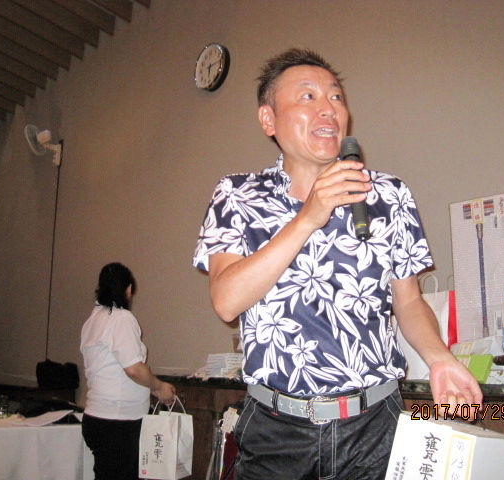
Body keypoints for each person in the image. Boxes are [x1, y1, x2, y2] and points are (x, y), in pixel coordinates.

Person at [193, 48, 483, 479]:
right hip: (276, 432)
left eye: (335, 96)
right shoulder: (237, 195)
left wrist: (440, 358)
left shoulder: (388, 195)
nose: (328, 108)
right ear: (269, 119)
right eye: (307, 96)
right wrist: (308, 217)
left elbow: (408, 302)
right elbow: (226, 301)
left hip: (374, 428)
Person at [81, 262, 176, 480]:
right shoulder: (121, 318)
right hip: (118, 422)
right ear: (129, 290)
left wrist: (153, 387)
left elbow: (117, 368)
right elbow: (133, 369)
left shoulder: (93, 320)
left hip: (98, 416)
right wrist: (160, 386)